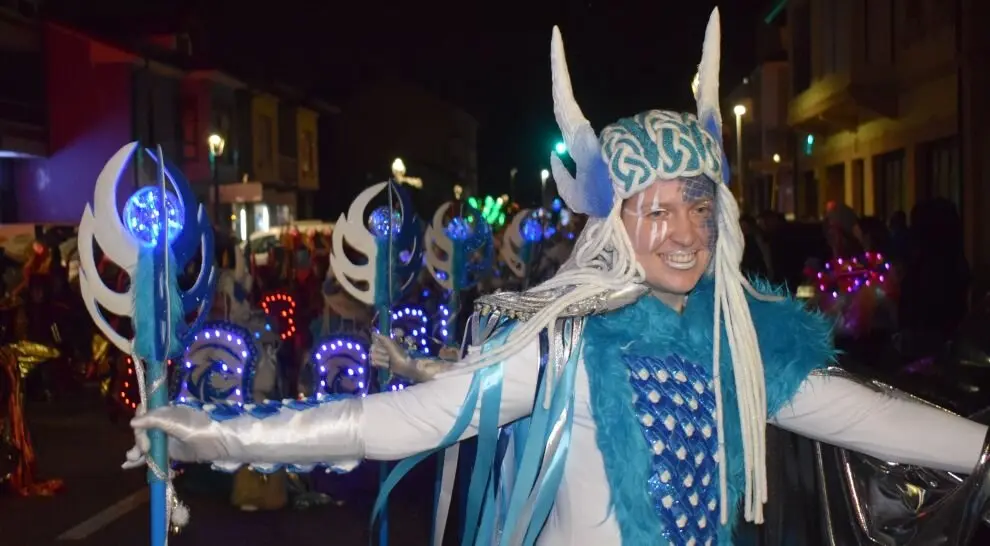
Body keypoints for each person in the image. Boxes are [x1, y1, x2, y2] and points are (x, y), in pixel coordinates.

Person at [133, 10, 988, 545]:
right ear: (614, 225)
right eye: (656, 211)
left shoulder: (745, 351)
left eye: (697, 206)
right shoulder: (565, 349)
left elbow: (868, 421)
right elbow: (392, 426)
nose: (684, 233)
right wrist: (220, 435)